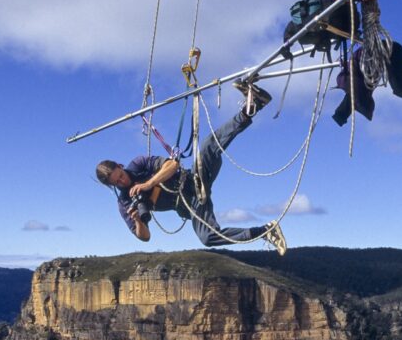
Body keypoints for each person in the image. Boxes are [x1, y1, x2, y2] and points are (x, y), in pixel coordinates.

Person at [95, 82, 287, 255]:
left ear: (120, 166)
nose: (122, 182)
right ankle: (266, 231)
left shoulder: (138, 164)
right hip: (189, 205)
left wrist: (148, 184)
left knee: (207, 147)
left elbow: (173, 165)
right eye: (117, 183)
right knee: (207, 238)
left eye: (120, 176)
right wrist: (138, 220)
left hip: (193, 181)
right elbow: (144, 237)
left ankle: (252, 107)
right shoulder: (124, 202)